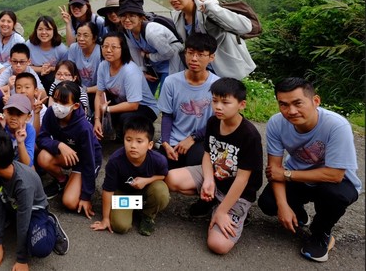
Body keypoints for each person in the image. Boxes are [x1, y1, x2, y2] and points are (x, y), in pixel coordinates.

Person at [257, 77, 361, 262]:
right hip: (298, 179)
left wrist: (287, 174)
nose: (291, 111)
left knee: (336, 195)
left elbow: (335, 175)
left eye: (298, 103)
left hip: (332, 182)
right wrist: (283, 207)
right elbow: (274, 169)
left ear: (316, 101)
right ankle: (299, 216)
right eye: (284, 105)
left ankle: (321, 233)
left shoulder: (337, 125)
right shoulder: (276, 123)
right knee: (268, 202)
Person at [165, 78, 263, 254]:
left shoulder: (250, 136)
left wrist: (222, 212)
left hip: (238, 191)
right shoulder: (213, 122)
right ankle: (213, 201)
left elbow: (242, 180)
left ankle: (225, 209)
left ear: (242, 104)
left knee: (218, 245)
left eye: (225, 102)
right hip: (216, 176)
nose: (218, 107)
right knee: (171, 178)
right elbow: (207, 154)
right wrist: (208, 180)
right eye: (215, 101)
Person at [0, 131, 69, 271]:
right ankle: (7, 223)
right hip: (12, 204)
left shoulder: (24, 184)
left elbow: (23, 220)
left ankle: (50, 222)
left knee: (40, 248)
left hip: (33, 211)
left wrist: (21, 259)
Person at [165, 0, 255, 80]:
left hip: (224, 65)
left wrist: (212, 9)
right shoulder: (178, 16)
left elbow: (246, 27)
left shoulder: (207, 7)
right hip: (203, 69)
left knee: (224, 95)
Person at [90, 117, 169, 236]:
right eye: (128, 140)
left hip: (144, 192)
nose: (133, 145)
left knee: (161, 192)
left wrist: (147, 180)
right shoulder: (115, 161)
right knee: (120, 226)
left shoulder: (158, 160)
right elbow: (108, 190)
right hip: (123, 194)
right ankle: (137, 207)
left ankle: (147, 215)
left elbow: (163, 176)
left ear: (150, 144)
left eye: (139, 141)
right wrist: (105, 219)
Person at [37, 82, 102, 219]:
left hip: (85, 159)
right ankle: (62, 180)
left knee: (70, 203)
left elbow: (89, 161)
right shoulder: (51, 112)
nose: (58, 105)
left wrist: (86, 195)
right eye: (55, 100)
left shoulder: (84, 127)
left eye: (64, 102)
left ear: (76, 105)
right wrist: (59, 145)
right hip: (67, 154)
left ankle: (77, 183)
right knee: (43, 157)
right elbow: (41, 138)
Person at [157, 34, 220, 170]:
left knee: (195, 161)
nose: (194, 59)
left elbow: (218, 120)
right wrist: (166, 143)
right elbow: (167, 115)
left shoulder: (217, 85)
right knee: (159, 164)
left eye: (200, 54)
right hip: (175, 139)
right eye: (190, 53)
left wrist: (192, 138)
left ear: (211, 57)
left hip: (202, 139)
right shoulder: (171, 82)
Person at [93, 32, 158, 140]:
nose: (108, 50)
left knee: (126, 119)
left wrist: (107, 109)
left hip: (145, 107)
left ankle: (134, 134)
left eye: (114, 47)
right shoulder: (103, 65)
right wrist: (96, 119)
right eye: (105, 46)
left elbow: (133, 105)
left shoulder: (130, 70)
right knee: (93, 118)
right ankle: (111, 131)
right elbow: (99, 94)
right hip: (122, 103)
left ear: (123, 49)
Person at [118, 0, 183, 94]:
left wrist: (148, 56)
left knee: (165, 95)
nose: (127, 20)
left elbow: (168, 53)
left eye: (132, 15)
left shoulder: (152, 32)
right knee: (145, 94)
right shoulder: (127, 31)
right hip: (154, 66)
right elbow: (134, 51)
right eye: (123, 16)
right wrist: (142, 70)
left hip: (171, 63)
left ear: (141, 18)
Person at [66, 21, 102, 115]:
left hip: (97, 91)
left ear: (94, 38)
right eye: (78, 35)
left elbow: (105, 83)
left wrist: (85, 90)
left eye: (86, 35)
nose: (81, 39)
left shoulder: (101, 52)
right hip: (78, 89)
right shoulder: (74, 48)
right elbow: (70, 71)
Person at [25, 16, 68, 92]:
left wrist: (51, 68)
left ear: (54, 31)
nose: (44, 32)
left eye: (48, 29)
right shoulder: (29, 45)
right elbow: (23, 65)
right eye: (40, 29)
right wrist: (41, 69)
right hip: (32, 75)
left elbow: (65, 68)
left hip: (52, 78)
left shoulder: (62, 49)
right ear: (36, 30)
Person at [1, 93, 37, 167]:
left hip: (19, 165)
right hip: (2, 164)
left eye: (19, 114)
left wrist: (20, 142)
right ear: (4, 112)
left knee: (32, 171)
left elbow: (27, 164)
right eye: (10, 113)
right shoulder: (0, 124)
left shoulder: (29, 130)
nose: (14, 118)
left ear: (28, 117)